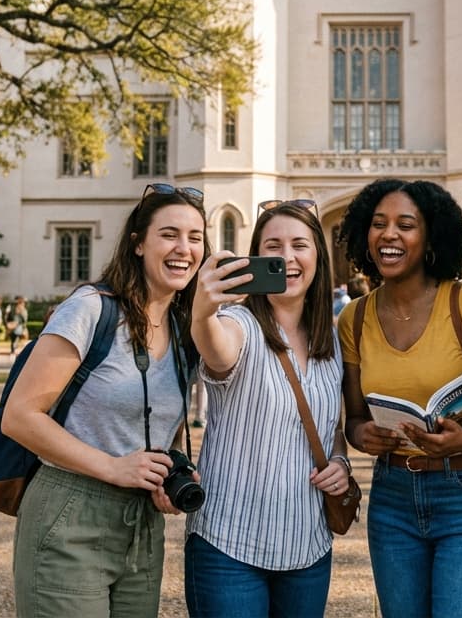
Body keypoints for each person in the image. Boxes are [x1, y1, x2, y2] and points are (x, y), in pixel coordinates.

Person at [2, 184, 207, 617]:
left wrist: (168, 474)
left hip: (141, 526)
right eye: (169, 234)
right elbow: (19, 416)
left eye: (195, 237)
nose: (183, 249)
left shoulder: (182, 328)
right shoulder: (92, 308)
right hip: (70, 510)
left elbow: (159, 426)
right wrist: (113, 467)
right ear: (137, 244)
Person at [337, 178, 462, 618]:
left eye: (406, 224)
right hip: (393, 496)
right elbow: (355, 420)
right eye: (378, 224)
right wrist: (366, 437)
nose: (389, 235)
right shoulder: (354, 318)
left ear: (431, 235)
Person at [185, 199, 349, 617]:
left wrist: (341, 465)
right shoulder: (239, 323)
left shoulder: (330, 344)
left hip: (308, 548)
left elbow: (331, 429)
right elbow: (219, 351)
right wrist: (203, 313)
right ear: (256, 256)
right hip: (230, 546)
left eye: (300, 245)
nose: (287, 258)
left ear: (318, 256)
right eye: (273, 247)